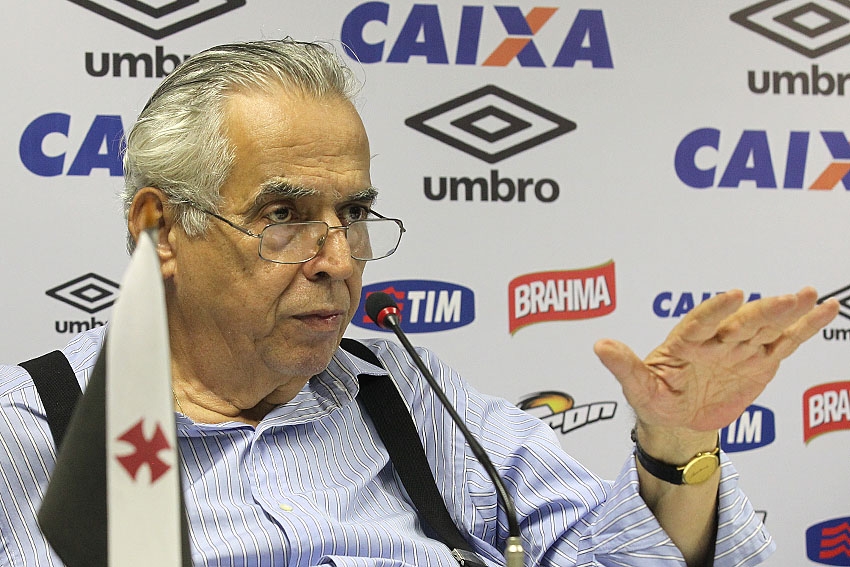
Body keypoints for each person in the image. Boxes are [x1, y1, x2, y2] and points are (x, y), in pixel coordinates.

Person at [0, 39, 839, 567]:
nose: (337, 261)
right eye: (284, 214)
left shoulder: (404, 393)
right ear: (160, 227)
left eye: (354, 213)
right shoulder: (29, 432)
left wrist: (677, 443)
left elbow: (617, 555)